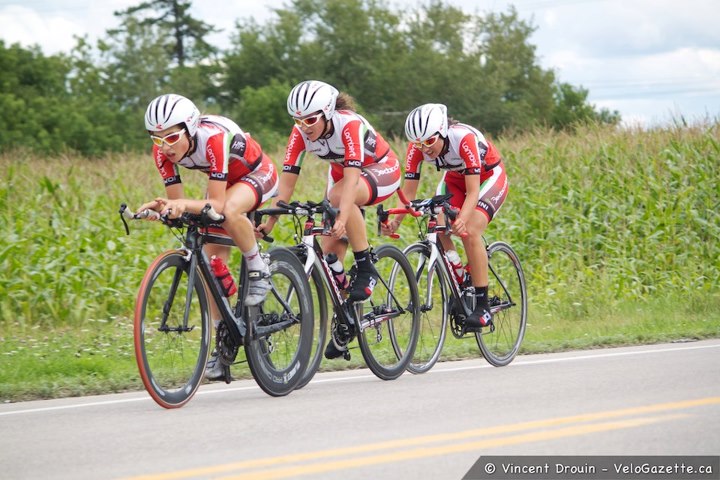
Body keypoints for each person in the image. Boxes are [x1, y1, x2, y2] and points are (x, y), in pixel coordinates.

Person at [137, 93, 279, 380]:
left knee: (229, 210)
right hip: (225, 182)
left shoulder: (213, 139)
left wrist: (179, 205)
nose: (165, 147)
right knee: (211, 264)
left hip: (257, 174)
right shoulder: (161, 152)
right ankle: (223, 339)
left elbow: (215, 203)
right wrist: (162, 210)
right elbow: (177, 203)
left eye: (172, 137)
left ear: (190, 129)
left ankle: (258, 268)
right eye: (157, 138)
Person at [256, 80, 402, 358]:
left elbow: (352, 180)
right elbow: (287, 180)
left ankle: (366, 265)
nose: (304, 126)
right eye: (298, 120)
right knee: (329, 254)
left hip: (380, 168)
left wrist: (343, 216)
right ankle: (347, 318)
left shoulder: (349, 125)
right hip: (341, 176)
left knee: (337, 200)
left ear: (327, 113)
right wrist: (271, 220)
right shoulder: (299, 133)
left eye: (311, 119)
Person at [382, 103, 508, 329]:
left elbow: (473, 192)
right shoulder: (417, 147)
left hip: (487, 178)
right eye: (419, 144)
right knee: (438, 225)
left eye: (430, 141)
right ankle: (461, 279)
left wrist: (462, 220)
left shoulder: (463, 139)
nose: (425, 148)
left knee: (470, 230)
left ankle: (482, 306)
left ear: (442, 132)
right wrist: (396, 221)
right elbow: (408, 192)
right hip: (455, 179)